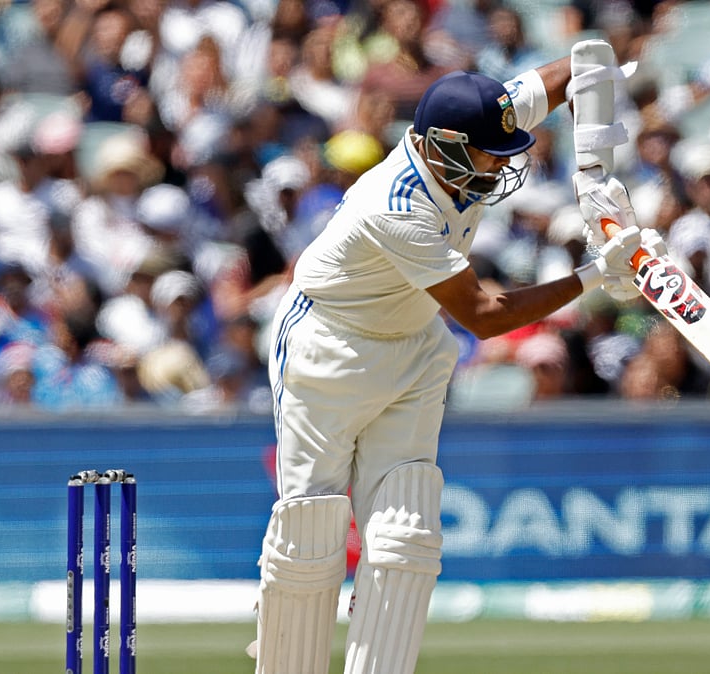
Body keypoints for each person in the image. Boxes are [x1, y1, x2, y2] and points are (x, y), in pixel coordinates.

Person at [250, 60, 646, 674]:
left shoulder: (474, 123)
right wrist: (595, 275)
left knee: (406, 534)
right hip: (329, 349)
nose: (500, 166)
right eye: (490, 156)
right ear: (445, 146)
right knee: (312, 533)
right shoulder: (397, 203)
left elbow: (571, 72)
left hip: (413, 345)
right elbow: (483, 314)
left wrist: (597, 91)